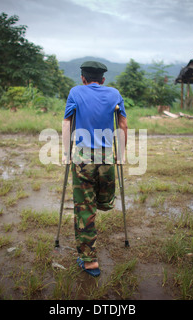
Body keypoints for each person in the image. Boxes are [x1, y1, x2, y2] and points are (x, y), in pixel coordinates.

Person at [62, 61, 128, 277]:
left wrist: (65, 154)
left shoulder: (75, 91)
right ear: (103, 80)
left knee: (85, 209)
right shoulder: (114, 93)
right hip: (107, 159)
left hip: (83, 161)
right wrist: (123, 156)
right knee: (105, 202)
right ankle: (101, 203)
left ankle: (89, 261)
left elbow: (66, 123)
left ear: (83, 78)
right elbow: (123, 124)